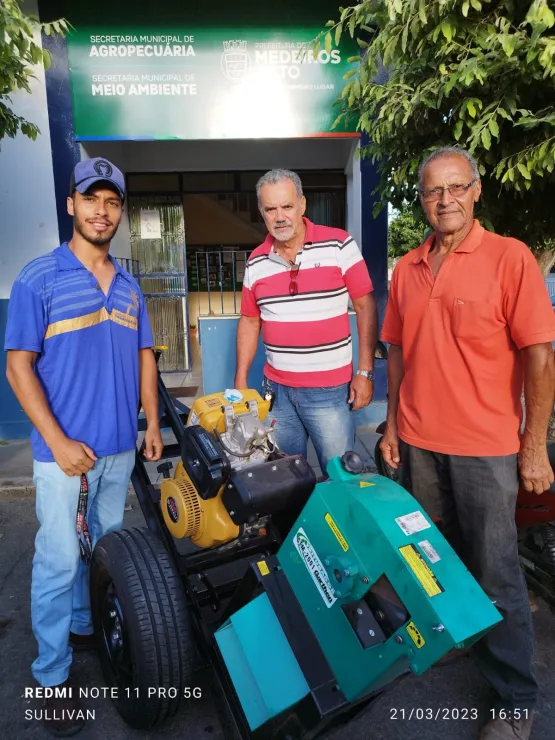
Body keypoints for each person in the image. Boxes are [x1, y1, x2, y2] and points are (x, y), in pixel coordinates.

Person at [379, 146, 555, 740]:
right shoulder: (406, 267)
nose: (444, 200)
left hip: (485, 448)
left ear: (476, 191)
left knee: (496, 570)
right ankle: (459, 640)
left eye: (456, 188)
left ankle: (514, 700)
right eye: (433, 192)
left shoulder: (511, 259)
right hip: (420, 443)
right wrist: (392, 425)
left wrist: (533, 448)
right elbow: (396, 353)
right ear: (422, 199)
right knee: (436, 561)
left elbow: (539, 356)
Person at [4, 157, 163, 736]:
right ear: (71, 204)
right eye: (91, 198)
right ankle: (51, 677)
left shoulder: (128, 285)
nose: (102, 210)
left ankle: (80, 627)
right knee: (57, 557)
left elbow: (145, 354)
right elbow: (18, 366)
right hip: (62, 454)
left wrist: (150, 423)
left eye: (113, 201)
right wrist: (56, 439)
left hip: (119, 448)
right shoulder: (38, 277)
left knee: (102, 549)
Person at [234, 168, 378, 476]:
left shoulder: (339, 245)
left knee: (341, 476)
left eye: (287, 206)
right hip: (278, 393)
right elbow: (249, 320)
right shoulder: (256, 262)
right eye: (270, 209)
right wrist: (240, 379)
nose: (280, 216)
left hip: (329, 391)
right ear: (262, 213)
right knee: (286, 477)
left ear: (302, 205)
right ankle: (295, 526)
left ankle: (337, 526)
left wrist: (365, 371)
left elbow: (366, 306)